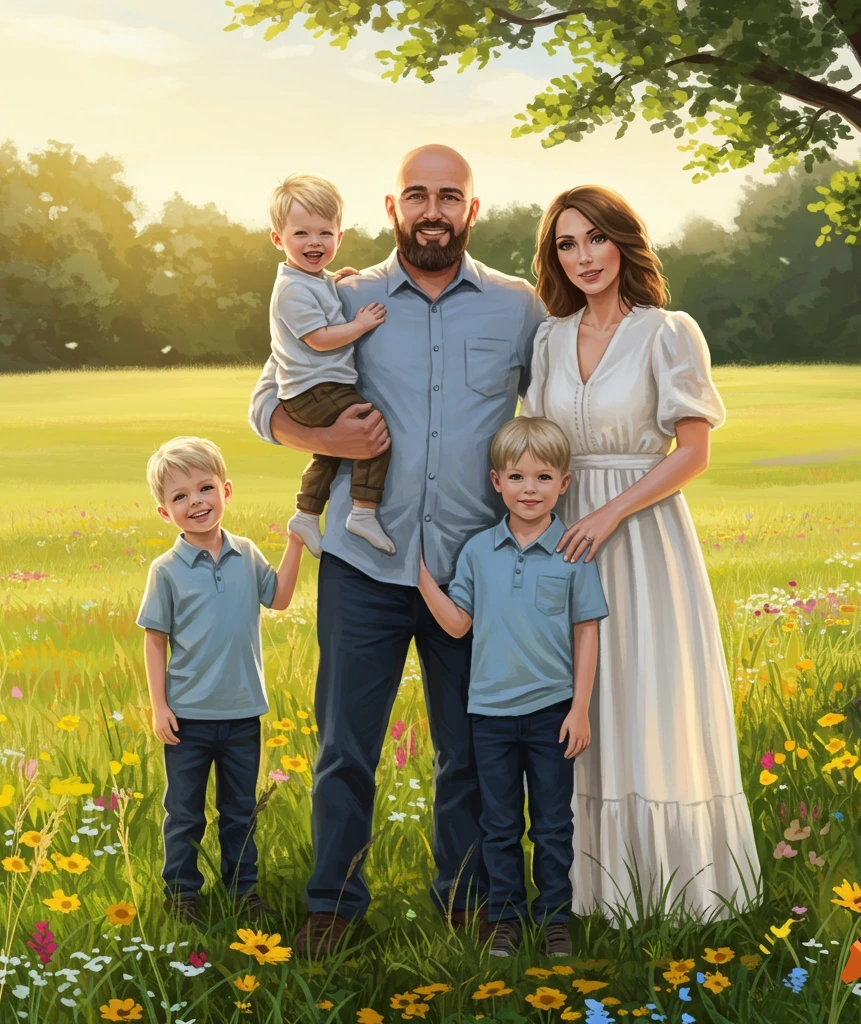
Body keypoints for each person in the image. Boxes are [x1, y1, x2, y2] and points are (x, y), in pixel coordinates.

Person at [248, 145, 546, 957]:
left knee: (470, 749)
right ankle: (332, 907)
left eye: (450, 196)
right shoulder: (344, 295)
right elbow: (265, 400)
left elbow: (560, 406)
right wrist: (319, 432)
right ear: (392, 208)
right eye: (418, 195)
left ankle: (467, 905)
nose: (433, 210)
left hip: (469, 570)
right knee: (345, 745)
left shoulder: (518, 308)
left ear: (473, 211)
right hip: (362, 562)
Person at [523, 185, 762, 922]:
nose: (583, 257)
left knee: (648, 690)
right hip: (565, 538)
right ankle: (589, 889)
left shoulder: (668, 331)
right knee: (579, 702)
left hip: (646, 533)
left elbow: (693, 453)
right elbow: (534, 443)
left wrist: (611, 512)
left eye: (595, 238)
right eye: (567, 244)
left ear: (624, 242)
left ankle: (675, 885)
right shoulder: (549, 339)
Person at [417, 416, 608, 957]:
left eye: (544, 478)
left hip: (553, 714)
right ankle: (504, 918)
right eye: (518, 477)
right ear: (496, 481)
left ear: (564, 484)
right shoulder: (478, 552)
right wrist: (418, 574)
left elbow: (586, 633)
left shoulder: (574, 552)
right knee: (498, 825)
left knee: (552, 825)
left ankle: (554, 920)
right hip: (491, 716)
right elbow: (458, 625)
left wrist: (580, 709)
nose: (530, 489)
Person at [137, 436, 304, 923]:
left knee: (240, 813)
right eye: (180, 497)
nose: (196, 502)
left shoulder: (247, 554)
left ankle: (242, 891)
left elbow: (280, 599)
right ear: (165, 513)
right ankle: (182, 894)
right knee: (185, 814)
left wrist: (295, 543)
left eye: (205, 488)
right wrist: (159, 706)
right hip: (187, 718)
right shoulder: (166, 571)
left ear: (226, 491)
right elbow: (154, 640)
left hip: (241, 715)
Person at [266, 173, 394, 557]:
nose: (314, 243)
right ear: (278, 239)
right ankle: (363, 511)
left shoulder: (312, 280)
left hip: (316, 387)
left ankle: (305, 514)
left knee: (330, 452)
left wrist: (336, 282)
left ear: (340, 236)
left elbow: (321, 297)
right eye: (301, 234)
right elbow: (319, 338)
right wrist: (359, 324)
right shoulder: (291, 289)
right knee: (372, 433)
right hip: (313, 388)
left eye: (324, 233)